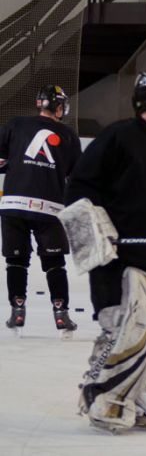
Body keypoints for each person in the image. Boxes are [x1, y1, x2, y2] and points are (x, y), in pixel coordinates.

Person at [65, 71, 146, 431]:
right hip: (118, 258)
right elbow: (80, 188)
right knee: (126, 326)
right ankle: (101, 391)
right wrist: (95, 233)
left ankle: (142, 388)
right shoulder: (117, 137)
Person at [1, 85, 81, 335]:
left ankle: (17, 310)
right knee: (54, 261)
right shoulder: (69, 135)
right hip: (50, 206)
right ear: (58, 108)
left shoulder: (15, 124)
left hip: (13, 203)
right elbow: (75, 176)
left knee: (16, 259)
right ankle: (61, 314)